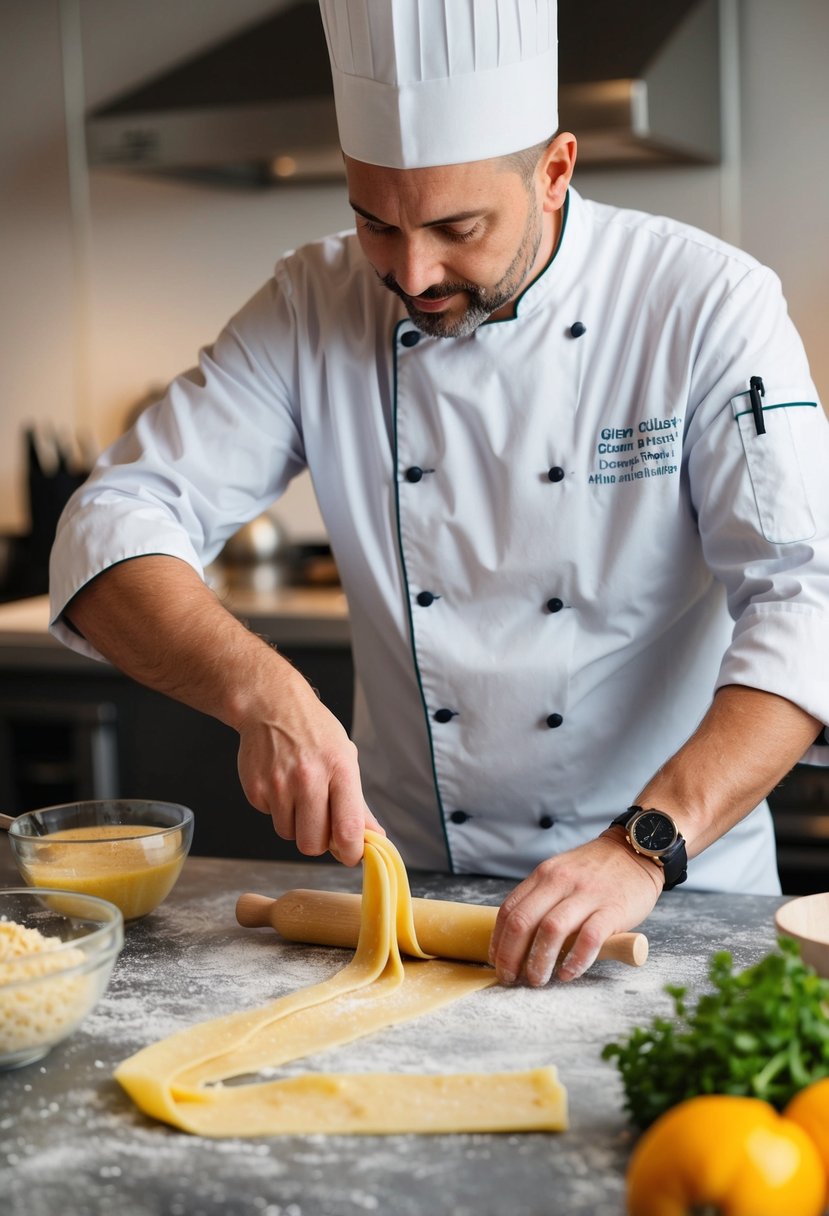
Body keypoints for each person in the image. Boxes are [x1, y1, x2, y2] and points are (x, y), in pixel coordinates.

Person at [50, 0, 829, 987]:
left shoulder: (706, 304)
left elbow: (806, 598)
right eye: (374, 220)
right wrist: (262, 693)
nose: (412, 272)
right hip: (414, 907)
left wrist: (642, 846)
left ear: (554, 173)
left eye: (457, 227)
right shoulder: (311, 303)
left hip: (674, 901)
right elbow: (108, 526)